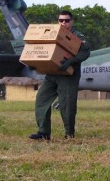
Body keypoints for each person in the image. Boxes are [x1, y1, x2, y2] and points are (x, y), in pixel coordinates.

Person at [29, 11, 91, 140]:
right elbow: (42, 50)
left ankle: (69, 134)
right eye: (61, 20)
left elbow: (85, 52)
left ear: (71, 21)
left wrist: (70, 62)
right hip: (51, 74)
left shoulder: (77, 36)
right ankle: (43, 132)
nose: (63, 23)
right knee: (41, 100)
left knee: (67, 105)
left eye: (66, 20)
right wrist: (34, 62)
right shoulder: (51, 33)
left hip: (68, 75)